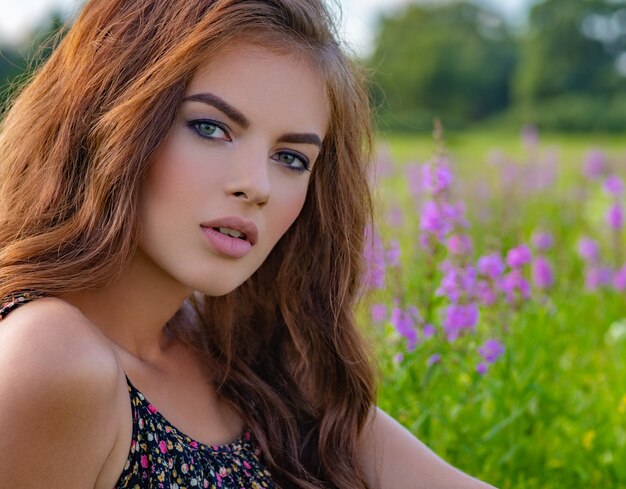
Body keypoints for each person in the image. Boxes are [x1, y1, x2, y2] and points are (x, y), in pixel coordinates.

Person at [0, 0, 495, 488]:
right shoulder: (51, 360)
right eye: (211, 127)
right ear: (105, 116)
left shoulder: (242, 358)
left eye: (291, 158)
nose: (257, 185)